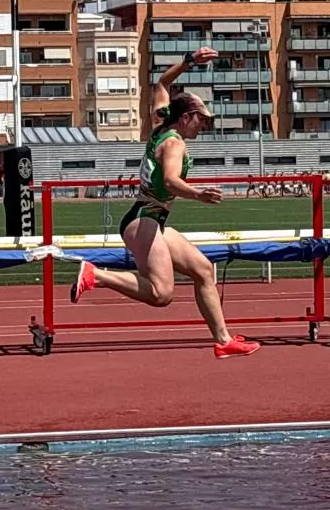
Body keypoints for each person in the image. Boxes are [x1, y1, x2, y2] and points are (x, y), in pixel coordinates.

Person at [69, 46, 261, 357]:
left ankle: (223, 340)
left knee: (202, 270)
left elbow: (161, 85)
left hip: (151, 218)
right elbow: (171, 181)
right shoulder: (174, 144)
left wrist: (188, 62)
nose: (204, 126)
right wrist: (199, 194)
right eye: (202, 120)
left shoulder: (161, 122)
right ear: (187, 117)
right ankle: (96, 274)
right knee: (161, 294)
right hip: (144, 219)